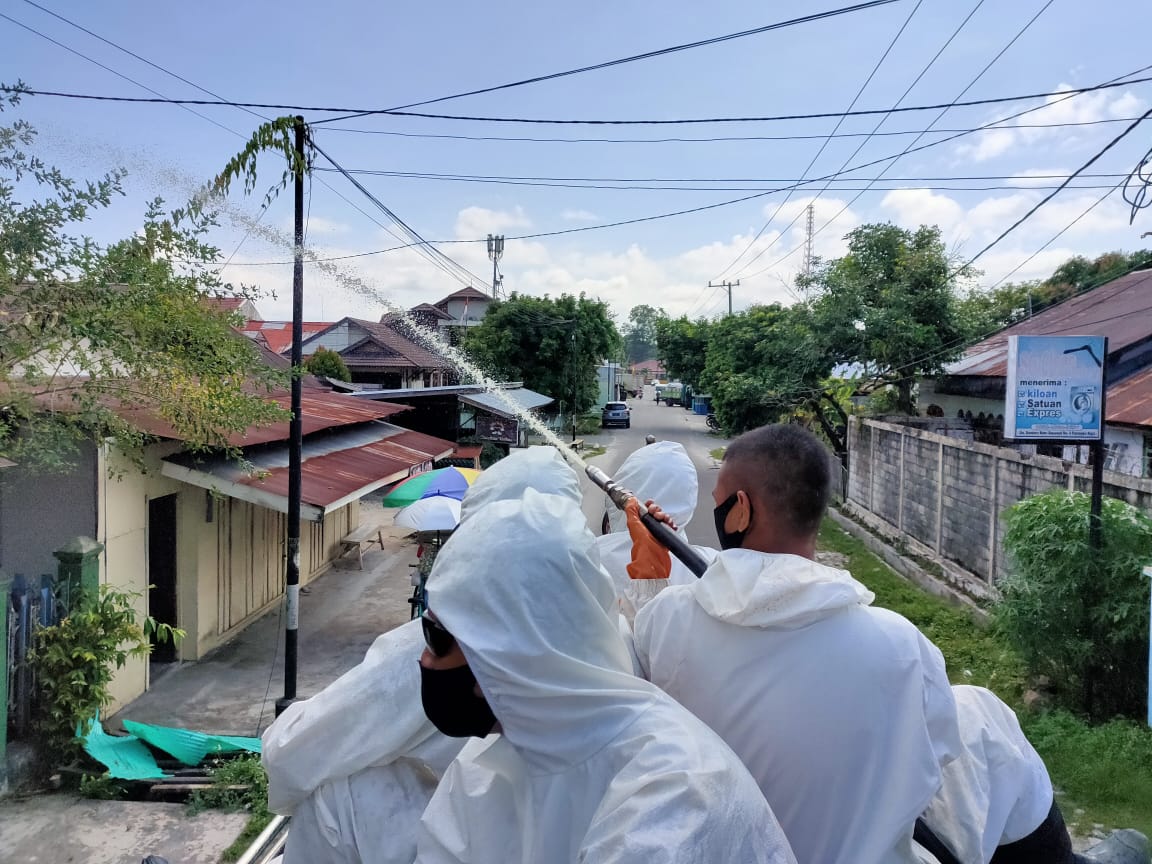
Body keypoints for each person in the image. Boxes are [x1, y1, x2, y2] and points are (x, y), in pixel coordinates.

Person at [631, 423, 962, 864]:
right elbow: (934, 763)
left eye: (718, 504)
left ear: (741, 510)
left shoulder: (670, 619)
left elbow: (635, 712)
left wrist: (653, 581)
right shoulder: (903, 645)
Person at [415, 485, 797, 863]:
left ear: (506, 650)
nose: (422, 659)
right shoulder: (488, 767)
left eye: (436, 638)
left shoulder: (674, 792)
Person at [262, 446, 583, 864]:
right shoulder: (607, 635)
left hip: (471, 840)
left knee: (334, 798)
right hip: (536, 835)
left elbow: (298, 753)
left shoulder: (435, 646)